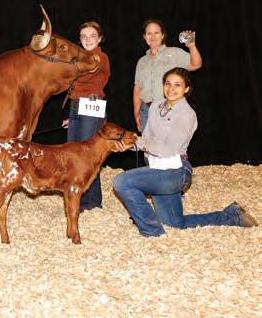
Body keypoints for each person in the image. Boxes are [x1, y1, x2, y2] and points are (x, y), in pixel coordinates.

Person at [113, 68, 258, 237]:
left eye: (177, 85)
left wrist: (135, 141)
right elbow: (146, 139)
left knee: (122, 182)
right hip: (158, 169)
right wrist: (128, 145)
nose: (171, 89)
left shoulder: (187, 114)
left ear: (186, 89)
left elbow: (168, 150)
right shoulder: (155, 107)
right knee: (174, 223)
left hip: (177, 172)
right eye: (168, 84)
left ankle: (152, 232)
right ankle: (232, 216)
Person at [61, 21, 110, 211]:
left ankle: (90, 201)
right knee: (75, 154)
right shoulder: (81, 58)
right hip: (77, 107)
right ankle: (83, 198)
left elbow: (81, 76)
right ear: (79, 39)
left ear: (100, 38)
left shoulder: (99, 58)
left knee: (86, 155)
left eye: (92, 36)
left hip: (90, 106)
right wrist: (73, 117)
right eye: (84, 36)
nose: (88, 40)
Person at [133, 19, 202, 132]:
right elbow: (137, 88)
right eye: (149, 33)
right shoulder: (141, 61)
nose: (153, 37)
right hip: (146, 111)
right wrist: (136, 112)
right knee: (147, 143)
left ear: (162, 35)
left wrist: (192, 46)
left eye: (156, 33)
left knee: (168, 142)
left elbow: (196, 64)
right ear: (144, 37)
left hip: (168, 110)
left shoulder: (174, 53)